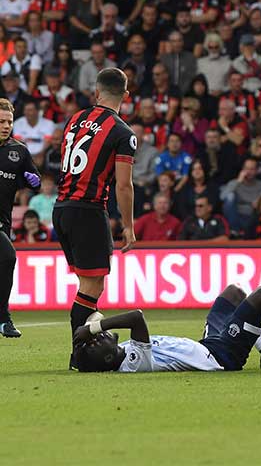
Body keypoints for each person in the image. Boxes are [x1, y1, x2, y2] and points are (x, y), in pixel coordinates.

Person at [52, 68, 137, 369]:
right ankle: (79, 355)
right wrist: (128, 225)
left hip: (61, 207)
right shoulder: (123, 133)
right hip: (87, 210)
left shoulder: (74, 119)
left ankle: (85, 347)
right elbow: (123, 185)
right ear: (126, 96)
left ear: (97, 92)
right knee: (92, 288)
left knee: (88, 285)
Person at [72, 285, 261, 373]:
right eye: (98, 342)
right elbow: (136, 318)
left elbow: (94, 332)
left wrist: (86, 336)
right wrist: (94, 328)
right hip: (221, 356)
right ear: (108, 358)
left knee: (233, 293)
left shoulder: (119, 353)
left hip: (206, 344)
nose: (101, 336)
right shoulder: (133, 361)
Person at [0, 98, 40, 337]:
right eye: (1, 121)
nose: (6, 126)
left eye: (9, 122)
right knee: (8, 256)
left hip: (4, 222)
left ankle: (2, 318)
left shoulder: (19, 151)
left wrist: (32, 180)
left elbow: (33, 178)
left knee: (5, 261)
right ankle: (4, 319)